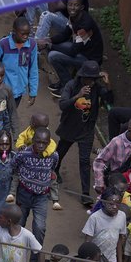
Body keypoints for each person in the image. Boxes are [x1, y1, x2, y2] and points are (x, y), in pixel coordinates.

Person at [55, 62, 112, 205]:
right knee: (60, 153)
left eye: (94, 79)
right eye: (89, 79)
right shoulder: (71, 86)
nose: (91, 82)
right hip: (70, 127)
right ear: (82, 77)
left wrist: (108, 84)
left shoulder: (97, 88)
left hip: (86, 130)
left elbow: (109, 99)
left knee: (85, 161)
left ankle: (85, 193)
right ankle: (53, 171)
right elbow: (63, 105)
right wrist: (78, 96)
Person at [0, 17, 37, 123]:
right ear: (14, 31)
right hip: (1, 89)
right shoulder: (4, 44)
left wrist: (33, 92)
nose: (25, 37)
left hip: (18, 91)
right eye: (22, 33)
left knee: (9, 116)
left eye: (28, 34)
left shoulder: (32, 45)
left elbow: (33, 69)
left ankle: (3, 136)